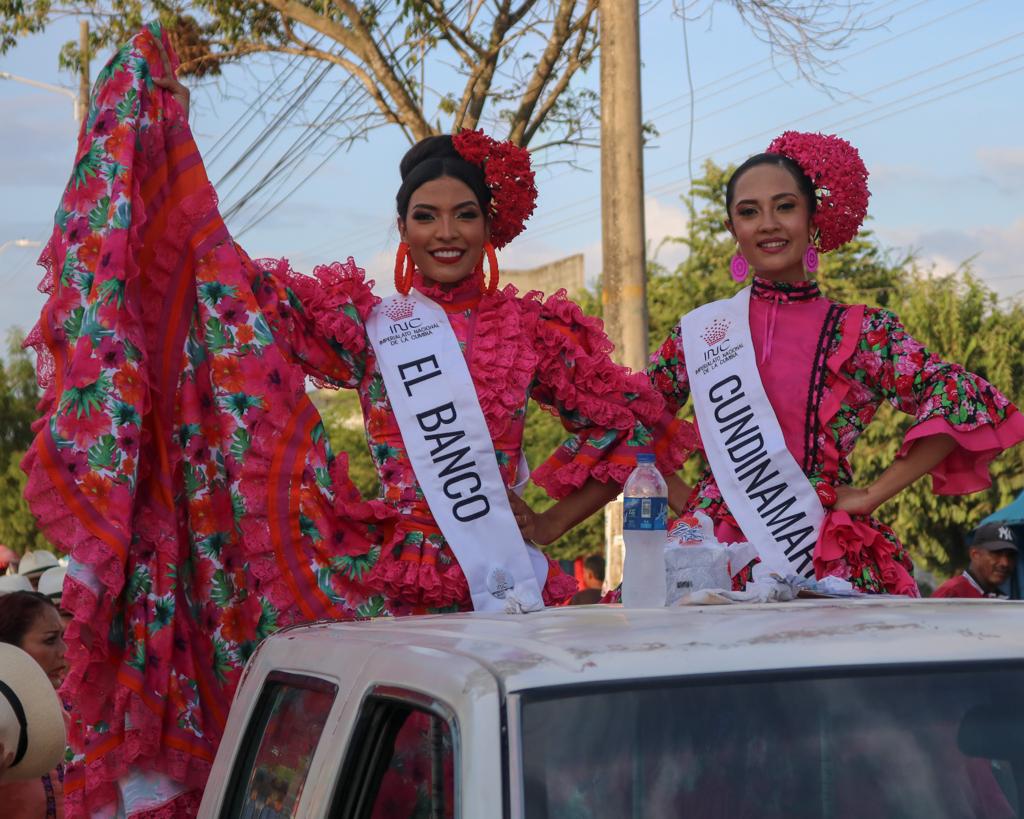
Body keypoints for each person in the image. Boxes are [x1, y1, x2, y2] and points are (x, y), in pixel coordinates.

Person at [20, 25, 692, 817]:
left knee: (507, 762)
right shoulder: (366, 322)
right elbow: (233, 294)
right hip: (388, 574)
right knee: (394, 766)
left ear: (489, 227)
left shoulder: (533, 331)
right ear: (402, 227)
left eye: (464, 215)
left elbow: (628, 429)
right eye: (425, 215)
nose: (446, 233)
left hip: (502, 576)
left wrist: (546, 524)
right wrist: (168, 157)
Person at [516, 132, 1024, 596]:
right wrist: (554, 524)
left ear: (811, 217)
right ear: (732, 226)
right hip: (712, 558)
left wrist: (871, 494)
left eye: (784, 207)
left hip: (823, 549)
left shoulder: (862, 330)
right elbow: (629, 430)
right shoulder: (702, 331)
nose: (768, 224)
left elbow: (961, 397)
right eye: (750, 211)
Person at [0, 592, 69, 817]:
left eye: (63, 637)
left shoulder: (65, 706)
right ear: (11, 649)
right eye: (50, 640)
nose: (64, 651)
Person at [933, 523, 1018, 598]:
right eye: (996, 553)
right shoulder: (952, 594)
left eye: (1010, 555)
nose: (1005, 563)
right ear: (975, 554)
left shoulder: (1002, 599)